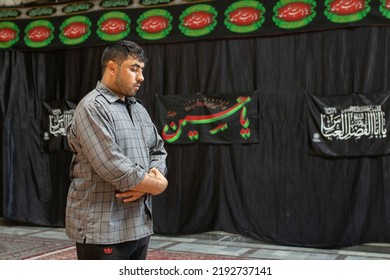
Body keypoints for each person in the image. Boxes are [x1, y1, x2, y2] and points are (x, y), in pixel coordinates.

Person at [65, 40, 168, 260]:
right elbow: (111, 164)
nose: (141, 77)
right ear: (112, 67)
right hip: (102, 229)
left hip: (139, 224)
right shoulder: (92, 106)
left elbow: (158, 151)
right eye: (134, 69)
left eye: (142, 70)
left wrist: (147, 183)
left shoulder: (138, 108)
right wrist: (157, 186)